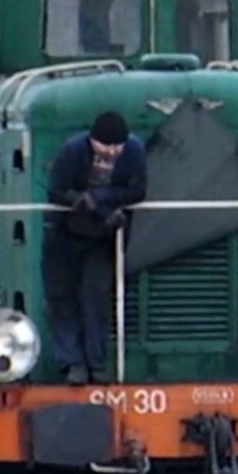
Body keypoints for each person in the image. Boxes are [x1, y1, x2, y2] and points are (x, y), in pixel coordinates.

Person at [44, 111, 147, 385]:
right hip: (65, 235)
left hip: (103, 238)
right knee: (62, 299)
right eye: (106, 146)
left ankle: (97, 364)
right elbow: (56, 190)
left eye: (118, 147)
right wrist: (79, 201)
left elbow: (138, 191)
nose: (112, 152)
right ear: (92, 141)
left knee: (96, 298)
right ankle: (72, 363)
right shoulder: (71, 151)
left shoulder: (134, 151)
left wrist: (100, 199)